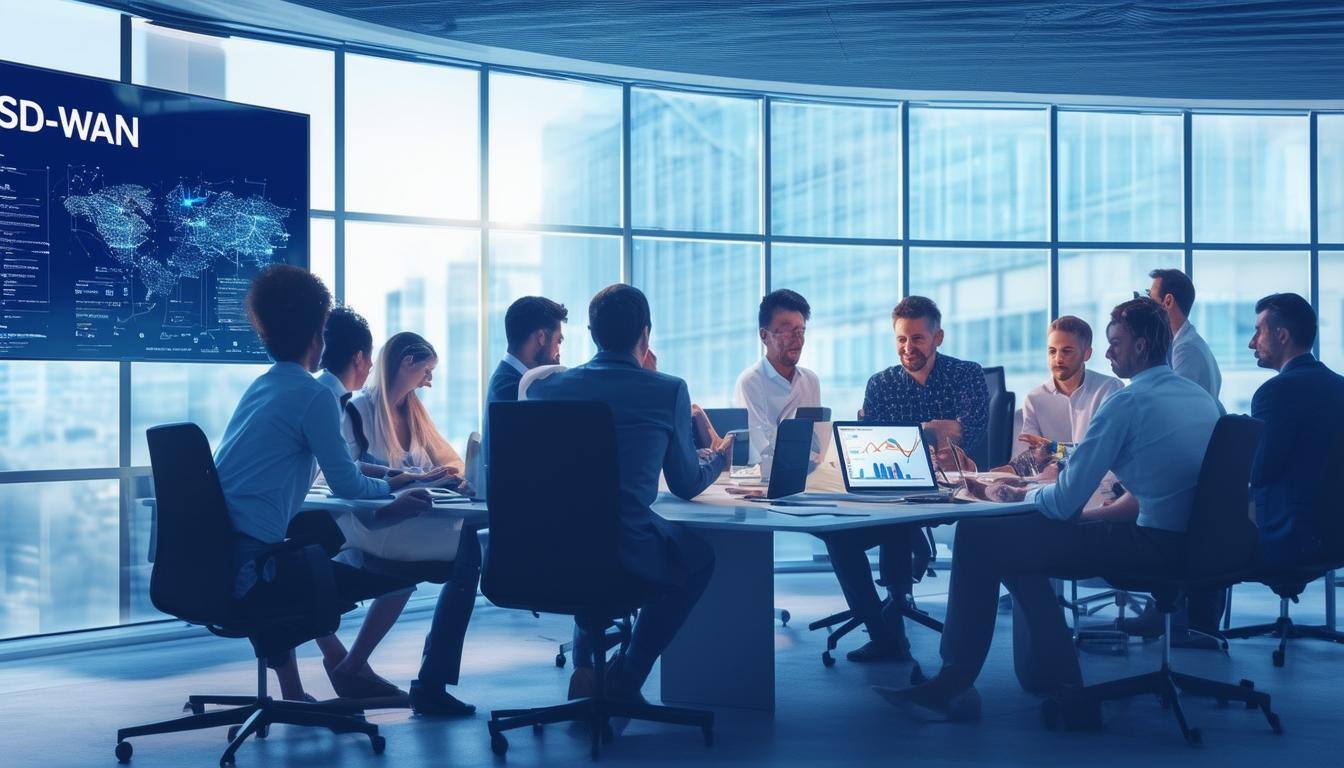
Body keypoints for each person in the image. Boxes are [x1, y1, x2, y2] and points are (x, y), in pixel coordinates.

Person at [890, 298, 1221, 723]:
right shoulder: (1200, 398)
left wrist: (1012, 497)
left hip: (1147, 544)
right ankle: (1059, 684)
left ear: (1140, 346)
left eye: (1115, 343)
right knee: (1015, 552)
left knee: (981, 536)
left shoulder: (1125, 403)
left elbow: (1063, 502)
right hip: (1191, 544)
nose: (1107, 353)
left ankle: (954, 684)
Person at [213, 265, 434, 702]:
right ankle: (348, 671)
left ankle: (298, 694)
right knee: (395, 577)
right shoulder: (314, 395)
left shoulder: (263, 386)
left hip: (218, 557)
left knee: (309, 547)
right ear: (318, 337)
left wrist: (387, 486)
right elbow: (347, 484)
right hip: (254, 568)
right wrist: (396, 489)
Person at [528, 284, 733, 704]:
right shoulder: (666, 389)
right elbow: (686, 483)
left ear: (591, 333)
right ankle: (629, 675)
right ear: (645, 333)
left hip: (551, 551)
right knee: (698, 558)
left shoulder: (546, 389)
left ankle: (587, 669)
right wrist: (717, 460)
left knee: (588, 537)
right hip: (628, 550)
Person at [822, 295, 989, 663]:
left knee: (896, 524)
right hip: (891, 492)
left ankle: (902, 593)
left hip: (950, 491)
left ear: (938, 337)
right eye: (901, 339)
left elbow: (969, 433)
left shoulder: (967, 374)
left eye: (917, 338)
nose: (908, 347)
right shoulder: (881, 384)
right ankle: (885, 635)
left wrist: (910, 437)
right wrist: (932, 432)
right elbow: (871, 447)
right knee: (838, 539)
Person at [1247, 293, 1344, 566]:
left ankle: (1186, 610)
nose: (1251, 342)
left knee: (1203, 535)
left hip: (1288, 536)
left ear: (1282, 336)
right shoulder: (1340, 386)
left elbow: (1260, 472)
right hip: (1336, 534)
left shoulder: (1274, 392)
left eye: (1258, 332)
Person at [1009, 316, 1123, 492]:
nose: (1058, 359)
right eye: (1052, 351)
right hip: (1050, 490)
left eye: (1067, 351)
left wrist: (1052, 450)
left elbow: (1102, 453)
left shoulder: (1109, 389)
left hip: (1101, 488)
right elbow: (1031, 460)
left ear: (1087, 353)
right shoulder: (1034, 399)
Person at [481, 296, 569, 495]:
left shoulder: (507, 378)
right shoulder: (516, 386)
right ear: (541, 337)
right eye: (558, 341)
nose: (558, 351)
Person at [350, 332, 465, 475]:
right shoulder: (358, 409)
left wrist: (449, 473)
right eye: (427, 370)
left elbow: (453, 461)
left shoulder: (416, 412)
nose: (429, 379)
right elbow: (347, 470)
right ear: (407, 361)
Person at [733, 289, 821, 467]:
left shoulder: (810, 380)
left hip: (806, 472)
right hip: (763, 476)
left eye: (800, 331)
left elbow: (816, 440)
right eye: (788, 331)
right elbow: (759, 447)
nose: (797, 339)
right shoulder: (750, 381)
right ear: (764, 335)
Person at [1148, 268, 1222, 402]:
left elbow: (1174, 403)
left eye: (1151, 299)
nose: (1147, 308)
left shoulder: (1186, 349)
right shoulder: (1187, 341)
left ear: (1168, 301)